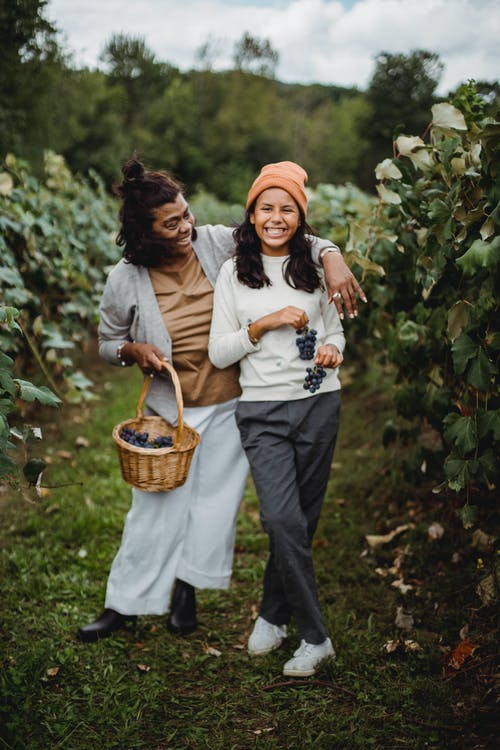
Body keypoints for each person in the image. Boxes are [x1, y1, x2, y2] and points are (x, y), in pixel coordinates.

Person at [77, 158, 362, 643]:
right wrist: (131, 350)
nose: (186, 226)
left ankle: (187, 590)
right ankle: (123, 604)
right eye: (172, 223)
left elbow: (284, 232)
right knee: (152, 509)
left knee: (215, 506)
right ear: (145, 231)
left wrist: (332, 255)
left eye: (186, 214)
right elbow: (107, 342)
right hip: (172, 412)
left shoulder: (213, 242)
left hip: (232, 402)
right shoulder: (125, 278)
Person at [208, 161, 345, 677]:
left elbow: (335, 330)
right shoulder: (233, 273)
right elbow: (219, 352)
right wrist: (263, 323)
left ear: (300, 218)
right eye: (267, 207)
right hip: (261, 412)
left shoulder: (311, 264)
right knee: (281, 519)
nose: (276, 217)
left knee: (300, 524)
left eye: (287, 209)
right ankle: (316, 636)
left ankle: (272, 613)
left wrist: (332, 350)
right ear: (252, 214)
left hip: (318, 405)